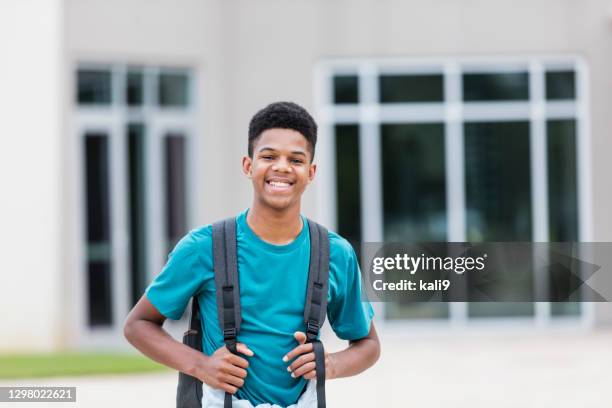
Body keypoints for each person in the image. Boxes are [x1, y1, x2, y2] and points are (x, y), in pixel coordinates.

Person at [124, 101, 380, 407]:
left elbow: (368, 344)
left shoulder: (335, 254)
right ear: (248, 166)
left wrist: (331, 364)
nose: (282, 167)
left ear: (311, 172)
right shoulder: (203, 247)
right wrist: (201, 365)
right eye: (269, 156)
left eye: (295, 160)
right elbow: (138, 325)